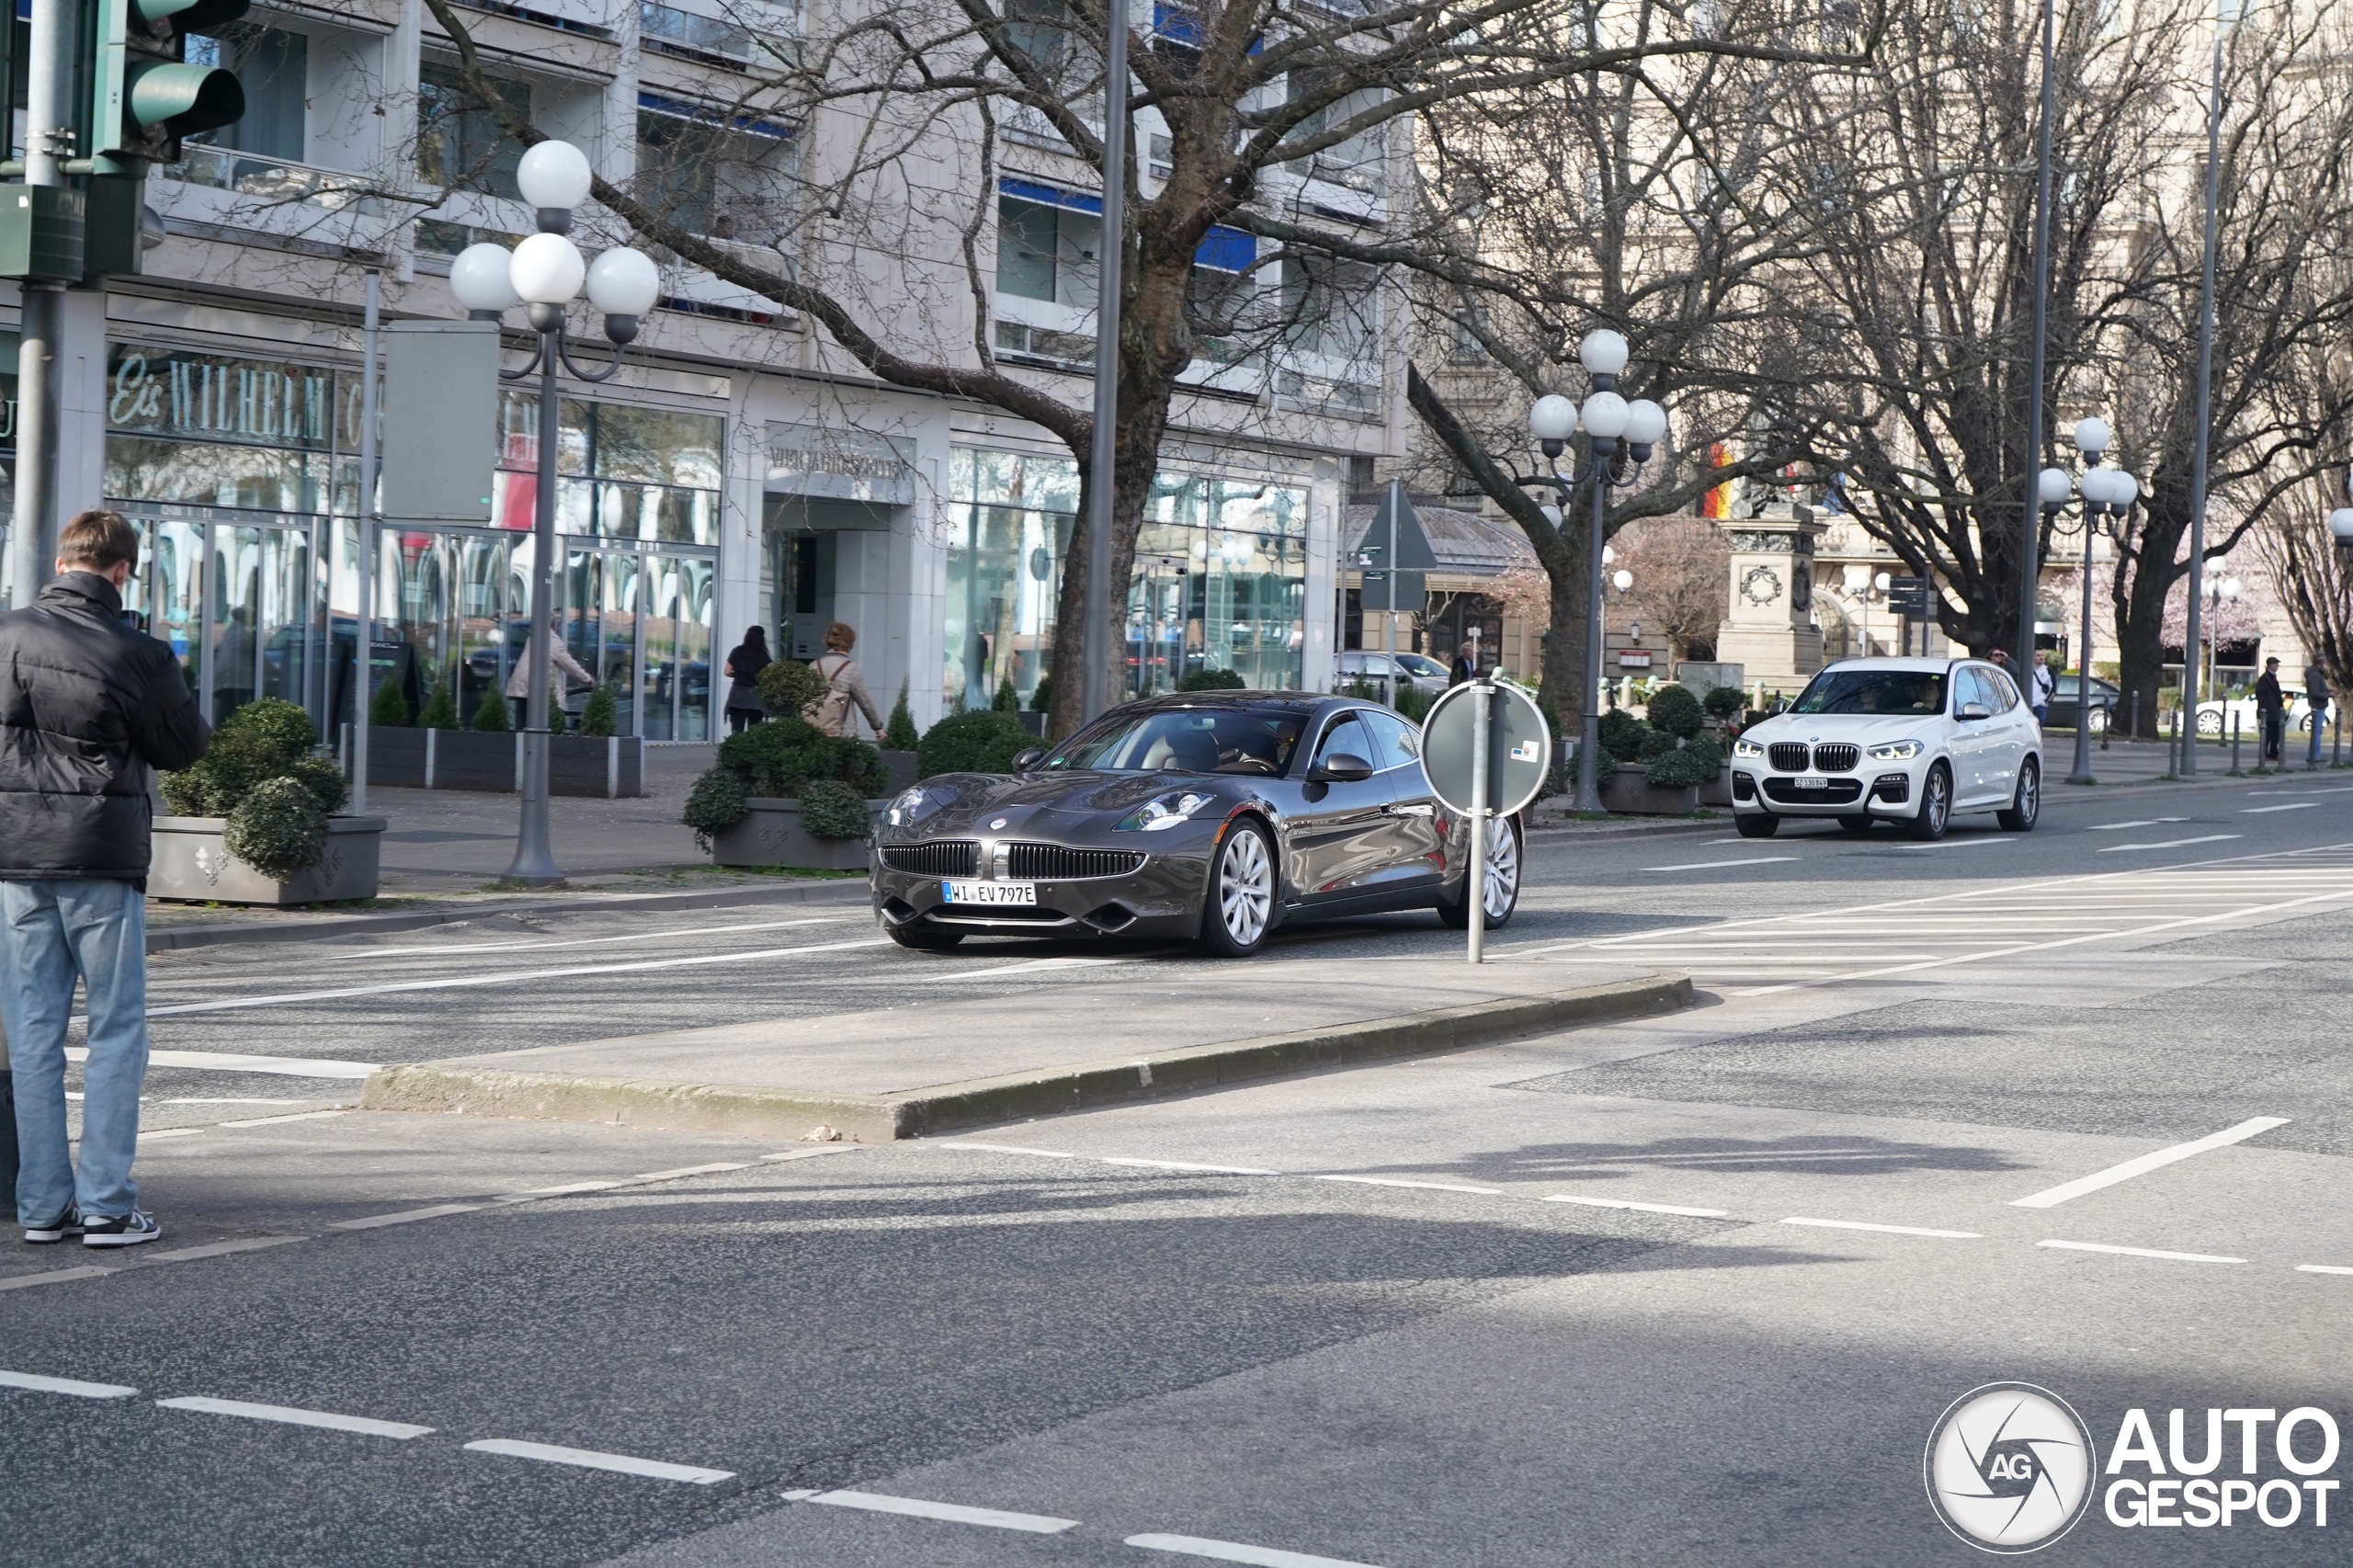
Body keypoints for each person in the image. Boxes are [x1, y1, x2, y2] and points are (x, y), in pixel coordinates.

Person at [1, 510, 210, 1248]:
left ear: (63, 563)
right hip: (102, 858)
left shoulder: (4, 636)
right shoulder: (139, 652)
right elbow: (183, 748)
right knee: (117, 1030)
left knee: (32, 1033)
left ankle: (41, 1207)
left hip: (17, 861)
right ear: (122, 571)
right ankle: (108, 1206)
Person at [505, 624, 597, 728]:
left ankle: (521, 742)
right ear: (555, 626)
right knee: (545, 722)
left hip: (522, 683)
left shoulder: (532, 638)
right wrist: (588, 679)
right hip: (539, 686)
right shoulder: (553, 641)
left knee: (523, 720)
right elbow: (569, 665)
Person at [806, 621, 884, 738]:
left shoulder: (813, 666)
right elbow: (865, 701)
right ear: (849, 643)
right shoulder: (850, 668)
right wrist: (877, 727)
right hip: (842, 733)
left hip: (813, 731)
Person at [722, 625, 772, 734]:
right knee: (754, 732)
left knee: (737, 731)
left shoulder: (737, 651)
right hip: (756, 697)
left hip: (738, 696)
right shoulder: (763, 655)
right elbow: (770, 675)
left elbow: (727, 672)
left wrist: (736, 675)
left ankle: (736, 750)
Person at [2256, 656, 2286, 767]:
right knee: (2268, 734)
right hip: (2268, 711)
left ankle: (2274, 753)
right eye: (2275, 664)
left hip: (2275, 710)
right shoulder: (2265, 678)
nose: (2277, 666)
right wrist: (2265, 707)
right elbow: (2260, 693)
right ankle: (2265, 754)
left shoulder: (2273, 678)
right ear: (2271, 665)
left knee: (2275, 734)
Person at [2305, 661, 2332, 768]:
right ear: (2321, 664)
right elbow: (2315, 692)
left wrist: (2328, 691)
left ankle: (2315, 755)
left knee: (2317, 731)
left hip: (2318, 705)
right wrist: (2328, 695)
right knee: (2316, 732)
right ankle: (2313, 756)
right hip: (2318, 705)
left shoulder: (2315, 674)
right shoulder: (2315, 675)